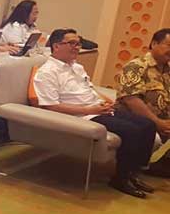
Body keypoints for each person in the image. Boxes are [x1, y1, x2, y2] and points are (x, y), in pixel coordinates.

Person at [34, 29, 157, 198]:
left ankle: (133, 173)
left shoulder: (77, 67)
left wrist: (105, 100)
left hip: (98, 108)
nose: (77, 47)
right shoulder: (47, 72)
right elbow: (50, 106)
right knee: (132, 131)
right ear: (56, 46)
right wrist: (91, 110)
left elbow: (89, 90)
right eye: (72, 43)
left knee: (148, 125)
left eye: (78, 43)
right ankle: (120, 179)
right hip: (83, 115)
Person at [116, 28, 170, 141]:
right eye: (169, 45)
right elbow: (132, 101)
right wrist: (158, 123)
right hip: (139, 124)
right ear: (154, 44)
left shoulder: (167, 69)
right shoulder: (136, 66)